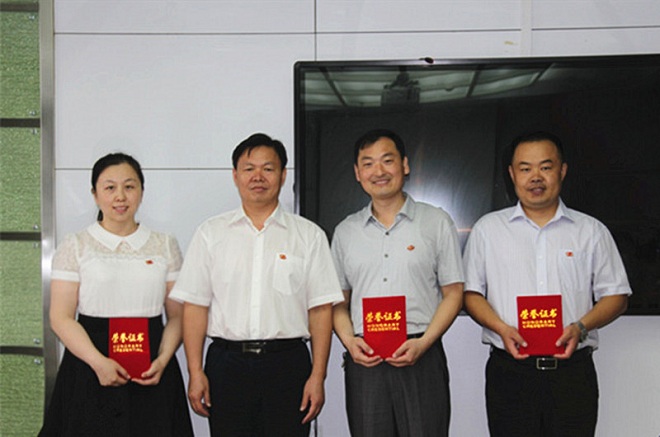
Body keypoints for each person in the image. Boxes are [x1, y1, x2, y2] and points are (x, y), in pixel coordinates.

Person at [170, 133, 343, 436]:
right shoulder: (211, 233)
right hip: (227, 365)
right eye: (249, 169)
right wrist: (195, 372)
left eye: (268, 168)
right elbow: (195, 307)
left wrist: (318, 376)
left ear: (283, 175)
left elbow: (320, 310)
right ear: (235, 175)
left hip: (287, 365)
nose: (258, 177)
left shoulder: (309, 236)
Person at [463, 131, 631, 437]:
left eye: (545, 167)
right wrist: (501, 328)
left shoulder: (590, 231)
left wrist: (581, 327)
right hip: (510, 374)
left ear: (562, 170)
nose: (535, 177)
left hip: (572, 375)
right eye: (525, 168)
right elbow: (471, 293)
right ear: (512, 174)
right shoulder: (488, 230)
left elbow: (616, 296)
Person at [39, 153, 193, 436]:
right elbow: (60, 318)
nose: (120, 196)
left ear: (141, 191)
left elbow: (177, 316)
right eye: (110, 187)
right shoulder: (76, 245)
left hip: (151, 366)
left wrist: (162, 359)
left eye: (129, 186)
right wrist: (98, 363)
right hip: (89, 361)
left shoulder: (164, 244)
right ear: (95, 194)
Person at [331, 129, 465, 437]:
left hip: (421, 354)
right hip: (366, 359)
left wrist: (424, 343)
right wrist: (350, 341)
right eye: (368, 164)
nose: (378, 171)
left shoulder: (436, 222)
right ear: (357, 173)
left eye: (387, 160)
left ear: (404, 165)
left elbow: (454, 293)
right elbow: (338, 302)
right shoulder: (345, 232)